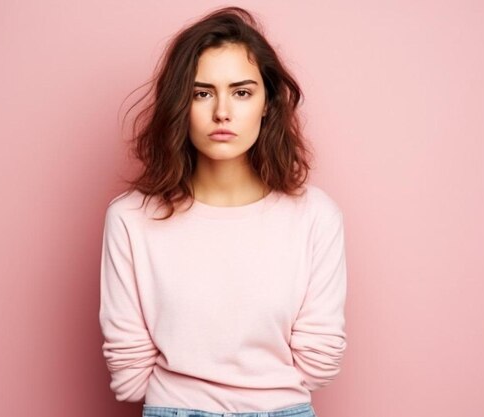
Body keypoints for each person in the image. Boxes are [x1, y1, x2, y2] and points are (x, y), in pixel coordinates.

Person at [99, 6, 347, 417]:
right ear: (181, 103)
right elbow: (128, 370)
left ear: (267, 102)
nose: (222, 112)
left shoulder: (315, 217)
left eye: (242, 92)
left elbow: (320, 359)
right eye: (202, 92)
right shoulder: (131, 218)